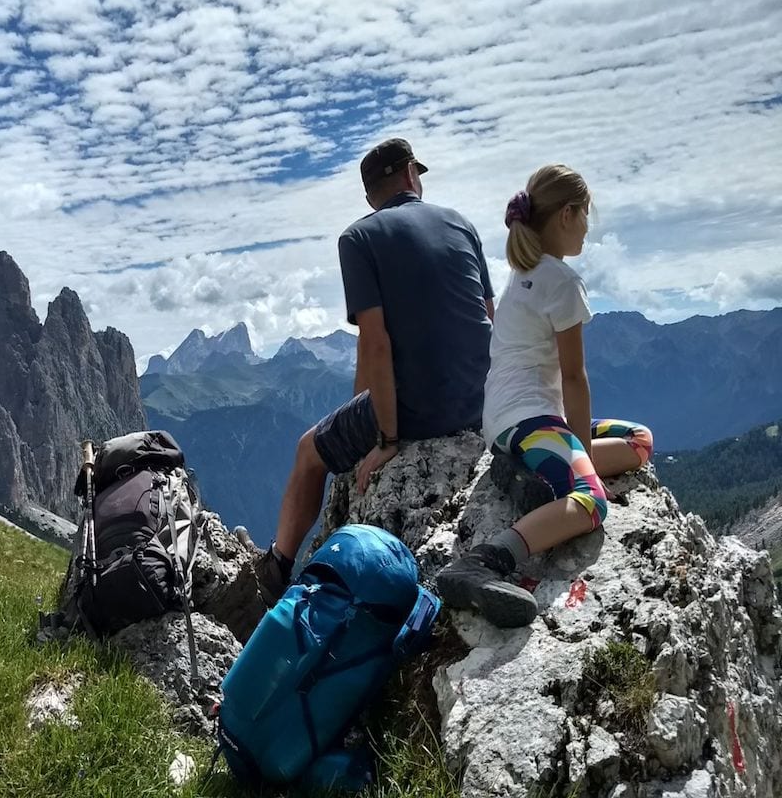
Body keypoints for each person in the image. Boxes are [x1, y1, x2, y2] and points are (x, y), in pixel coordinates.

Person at [253, 138, 496, 604]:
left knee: (308, 452)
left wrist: (385, 438)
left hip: (420, 410)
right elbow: (488, 315)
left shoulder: (359, 238)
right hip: (483, 399)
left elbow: (376, 340)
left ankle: (276, 568)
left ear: (370, 196)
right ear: (410, 174)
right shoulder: (462, 224)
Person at [436, 165, 654, 628]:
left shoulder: (525, 270)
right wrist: (583, 466)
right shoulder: (562, 282)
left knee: (639, 441)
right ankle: (485, 561)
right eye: (586, 214)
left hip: (510, 421)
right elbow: (574, 378)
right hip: (532, 420)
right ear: (567, 214)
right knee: (592, 501)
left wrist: (575, 449)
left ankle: (537, 473)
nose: (588, 228)